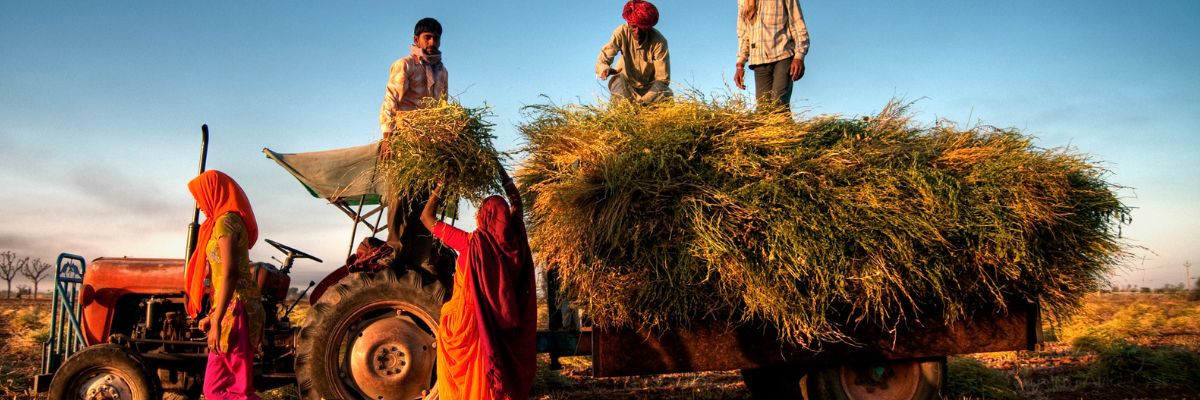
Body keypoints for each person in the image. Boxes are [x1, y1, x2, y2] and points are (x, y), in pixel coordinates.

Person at [419, 168, 537, 400]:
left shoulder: (470, 243)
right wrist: (502, 174)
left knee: (470, 383)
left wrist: (442, 182)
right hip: (504, 328)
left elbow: (426, 218)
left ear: (484, 217)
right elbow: (517, 206)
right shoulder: (517, 244)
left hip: (470, 327)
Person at [184, 170, 265, 400]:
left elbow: (229, 273)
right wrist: (213, 316)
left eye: (200, 197)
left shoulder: (225, 222)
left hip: (236, 312)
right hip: (230, 308)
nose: (199, 205)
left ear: (213, 192)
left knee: (234, 390)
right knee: (216, 389)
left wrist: (217, 320)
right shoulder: (225, 221)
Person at [379, 17, 450, 273]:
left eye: (436, 38)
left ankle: (421, 257)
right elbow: (390, 102)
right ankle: (394, 249)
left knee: (426, 201)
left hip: (429, 146)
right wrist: (388, 139)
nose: (432, 42)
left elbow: (443, 109)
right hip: (404, 140)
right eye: (427, 38)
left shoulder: (442, 71)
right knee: (400, 195)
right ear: (416, 40)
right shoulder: (405, 65)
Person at [733, 0, 809, 112]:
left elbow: (797, 24)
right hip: (759, 60)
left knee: (779, 104)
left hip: (784, 54)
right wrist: (740, 64)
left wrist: (799, 56)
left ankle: (785, 127)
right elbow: (744, 33)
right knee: (763, 110)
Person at [596, 0, 673, 105]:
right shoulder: (621, 33)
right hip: (626, 85)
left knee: (664, 91)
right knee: (617, 81)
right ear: (628, 23)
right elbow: (604, 57)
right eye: (633, 26)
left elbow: (662, 79)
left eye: (641, 27)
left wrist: (644, 102)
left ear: (648, 27)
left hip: (651, 90)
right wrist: (604, 68)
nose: (637, 32)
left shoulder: (659, 42)